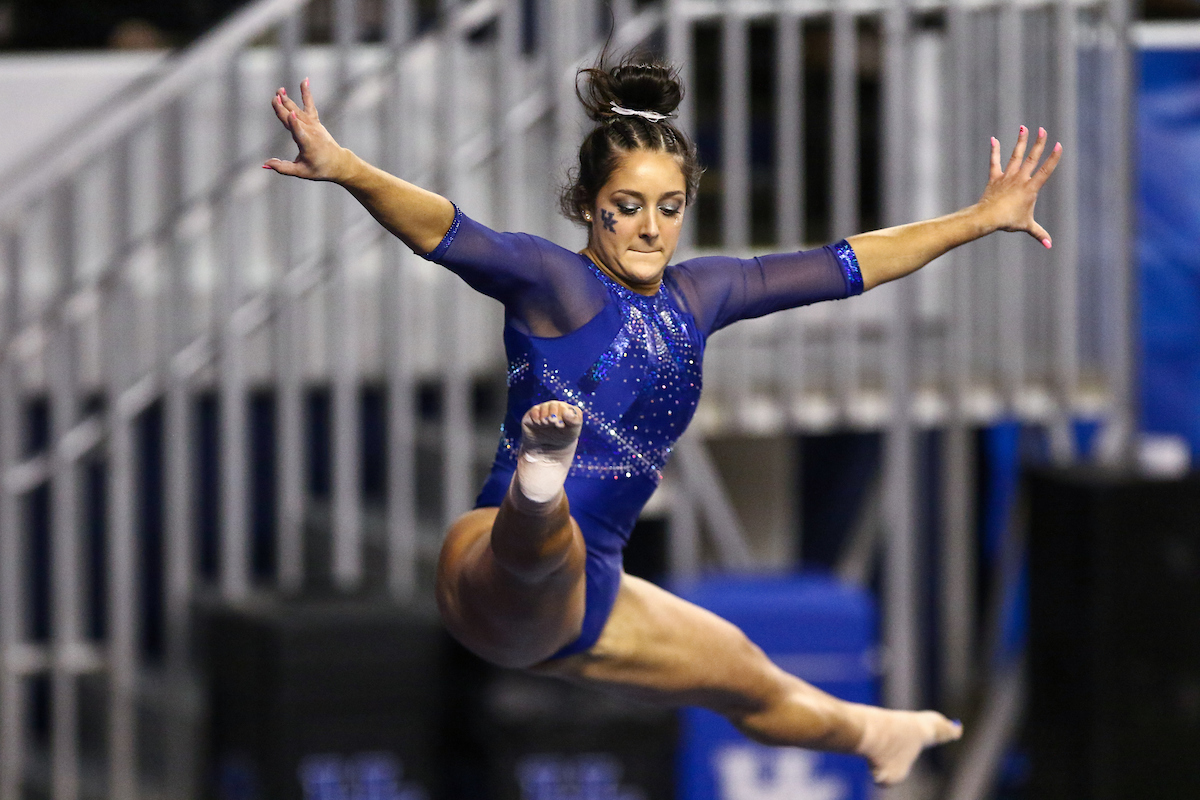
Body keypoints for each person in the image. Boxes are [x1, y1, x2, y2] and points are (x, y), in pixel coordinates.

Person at [265, 52, 1061, 785]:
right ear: (589, 207)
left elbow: (846, 263)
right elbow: (447, 230)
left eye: (669, 207)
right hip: (494, 572)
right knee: (547, 546)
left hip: (594, 594)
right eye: (628, 206)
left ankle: (874, 733)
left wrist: (978, 218)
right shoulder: (553, 283)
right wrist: (347, 168)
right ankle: (538, 487)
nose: (651, 227)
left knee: (749, 674)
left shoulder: (702, 295)